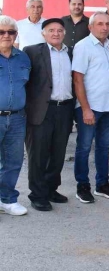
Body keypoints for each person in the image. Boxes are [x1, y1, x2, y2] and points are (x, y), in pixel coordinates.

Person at [24, 18, 74, 212]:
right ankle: (37, 195)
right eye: (51, 30)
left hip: (65, 109)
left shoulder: (71, 52)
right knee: (38, 154)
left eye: (59, 30)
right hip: (41, 110)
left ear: (64, 33)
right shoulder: (32, 51)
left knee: (58, 153)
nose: (56, 33)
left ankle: (51, 189)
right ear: (43, 33)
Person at [72, 12, 109, 203]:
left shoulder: (107, 46)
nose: (104, 27)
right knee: (83, 148)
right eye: (100, 24)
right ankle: (82, 186)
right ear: (90, 27)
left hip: (108, 106)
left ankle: (102, 184)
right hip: (90, 107)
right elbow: (77, 79)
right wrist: (85, 109)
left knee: (103, 147)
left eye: (107, 24)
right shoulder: (83, 46)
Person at [0, 15, 31, 216]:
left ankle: (7, 200)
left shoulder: (23, 58)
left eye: (11, 32)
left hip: (17, 118)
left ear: (16, 34)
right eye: (1, 32)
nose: (6, 35)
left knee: (13, 161)